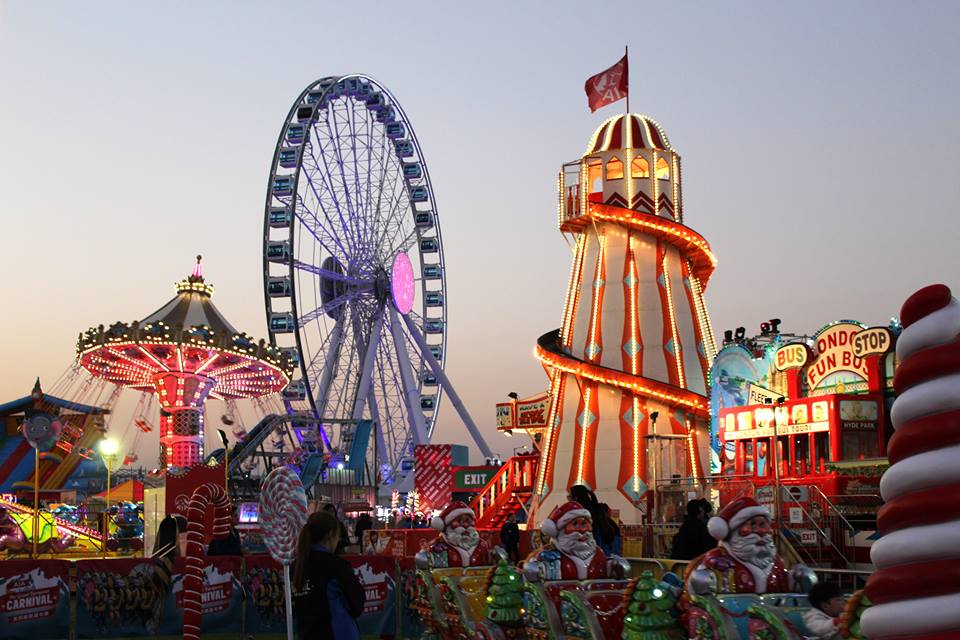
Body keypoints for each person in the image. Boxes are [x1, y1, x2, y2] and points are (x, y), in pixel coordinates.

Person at [685, 496, 791, 594]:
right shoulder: (720, 559)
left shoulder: (774, 561)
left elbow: (783, 583)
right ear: (734, 531)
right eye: (752, 524)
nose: (761, 531)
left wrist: (793, 580)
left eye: (763, 524)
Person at [292, 511, 364, 640]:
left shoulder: (296, 566)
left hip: (307, 633)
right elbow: (357, 604)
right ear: (330, 534)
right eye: (338, 536)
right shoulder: (336, 566)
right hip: (336, 633)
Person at [530, 501, 619, 580]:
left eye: (584, 524)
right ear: (561, 530)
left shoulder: (598, 554)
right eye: (575, 524)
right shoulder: (549, 555)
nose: (582, 530)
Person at [423, 502, 493, 567]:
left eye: (468, 521)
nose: (465, 525)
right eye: (458, 521)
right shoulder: (439, 546)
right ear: (448, 525)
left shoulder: (482, 545)